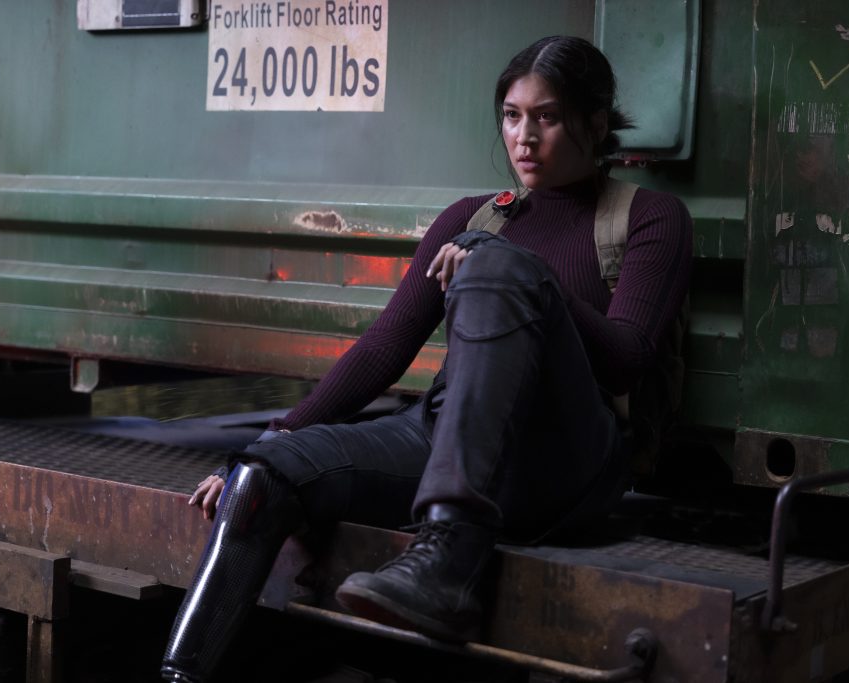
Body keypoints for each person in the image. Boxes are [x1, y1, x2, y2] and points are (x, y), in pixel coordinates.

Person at [160, 35, 692, 683]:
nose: (524, 137)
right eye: (512, 115)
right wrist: (278, 435)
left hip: (566, 456)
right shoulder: (475, 218)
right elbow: (385, 347)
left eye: (548, 117)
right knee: (258, 479)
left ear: (597, 124)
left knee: (499, 266)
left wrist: (523, 271)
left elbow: (627, 361)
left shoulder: (650, 217)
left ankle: (447, 561)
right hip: (444, 433)